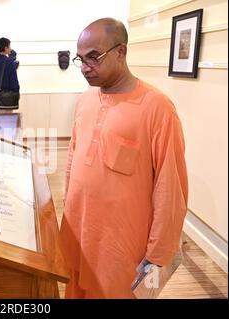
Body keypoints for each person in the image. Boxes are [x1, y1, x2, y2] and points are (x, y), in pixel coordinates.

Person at [60, 18, 188, 299]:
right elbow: (73, 160)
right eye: (80, 59)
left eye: (94, 57)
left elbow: (171, 190)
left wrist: (157, 256)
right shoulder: (85, 100)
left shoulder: (157, 108)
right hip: (79, 235)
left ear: (121, 51)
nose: (84, 67)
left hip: (123, 254)